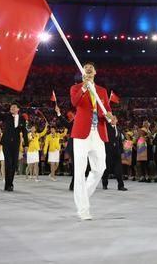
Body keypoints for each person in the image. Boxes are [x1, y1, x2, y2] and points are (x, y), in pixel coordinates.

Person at [70, 61, 114, 220]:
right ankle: (83, 209)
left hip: (98, 133)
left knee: (100, 168)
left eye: (91, 68)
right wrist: (84, 87)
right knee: (80, 171)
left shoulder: (102, 90)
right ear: (83, 72)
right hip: (81, 134)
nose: (88, 69)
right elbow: (74, 103)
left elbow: (107, 110)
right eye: (85, 68)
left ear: (95, 72)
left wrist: (111, 117)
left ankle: (83, 197)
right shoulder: (76, 88)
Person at [0, 97, 29, 192]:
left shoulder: (22, 119)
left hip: (15, 144)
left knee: (14, 165)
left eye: (14, 107)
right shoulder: (7, 116)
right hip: (6, 143)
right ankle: (8, 185)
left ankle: (10, 183)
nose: (12, 108)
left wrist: (26, 144)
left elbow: (25, 132)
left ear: (18, 109)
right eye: (11, 107)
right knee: (8, 164)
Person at [102, 116, 127, 191]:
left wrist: (122, 152)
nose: (113, 120)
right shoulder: (106, 127)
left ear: (117, 120)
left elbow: (120, 142)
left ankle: (120, 185)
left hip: (117, 152)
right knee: (107, 168)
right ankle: (104, 183)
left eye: (114, 119)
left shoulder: (119, 129)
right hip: (108, 151)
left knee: (119, 169)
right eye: (111, 119)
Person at [44, 107, 68, 181]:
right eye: (51, 129)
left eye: (53, 129)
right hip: (51, 151)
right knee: (52, 164)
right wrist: (45, 151)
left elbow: (64, 134)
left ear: (55, 129)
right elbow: (46, 144)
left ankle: (51, 173)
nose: (52, 130)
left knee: (57, 164)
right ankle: (53, 176)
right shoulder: (48, 136)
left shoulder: (58, 134)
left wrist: (66, 128)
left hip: (57, 150)